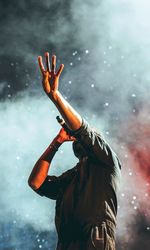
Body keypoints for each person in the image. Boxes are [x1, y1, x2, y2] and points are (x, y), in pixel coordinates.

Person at [28, 52, 121, 250]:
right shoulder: (72, 176)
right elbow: (36, 183)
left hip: (94, 240)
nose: (77, 136)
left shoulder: (107, 160)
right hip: (67, 243)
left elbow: (83, 130)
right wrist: (57, 141)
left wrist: (55, 97)